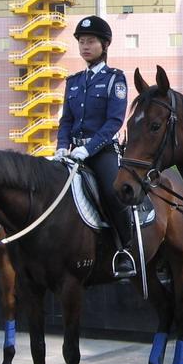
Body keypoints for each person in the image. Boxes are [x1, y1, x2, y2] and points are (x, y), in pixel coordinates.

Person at [55, 15, 135, 278]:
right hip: (72, 152)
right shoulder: (73, 81)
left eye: (90, 41)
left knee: (113, 192)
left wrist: (88, 149)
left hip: (101, 152)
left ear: (105, 45)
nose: (85, 46)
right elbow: (66, 120)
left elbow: (114, 122)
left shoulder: (115, 79)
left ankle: (126, 249)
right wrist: (62, 146)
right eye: (81, 42)